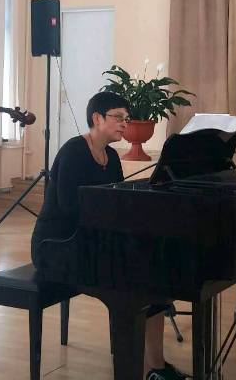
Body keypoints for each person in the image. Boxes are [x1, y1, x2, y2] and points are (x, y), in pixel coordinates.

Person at [30, 91, 187, 380]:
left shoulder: (112, 156)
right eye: (118, 117)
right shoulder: (74, 151)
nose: (125, 123)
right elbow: (69, 208)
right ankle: (140, 365)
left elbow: (117, 204)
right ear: (97, 118)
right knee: (136, 279)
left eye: (127, 118)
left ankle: (155, 365)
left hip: (91, 242)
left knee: (155, 273)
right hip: (57, 246)